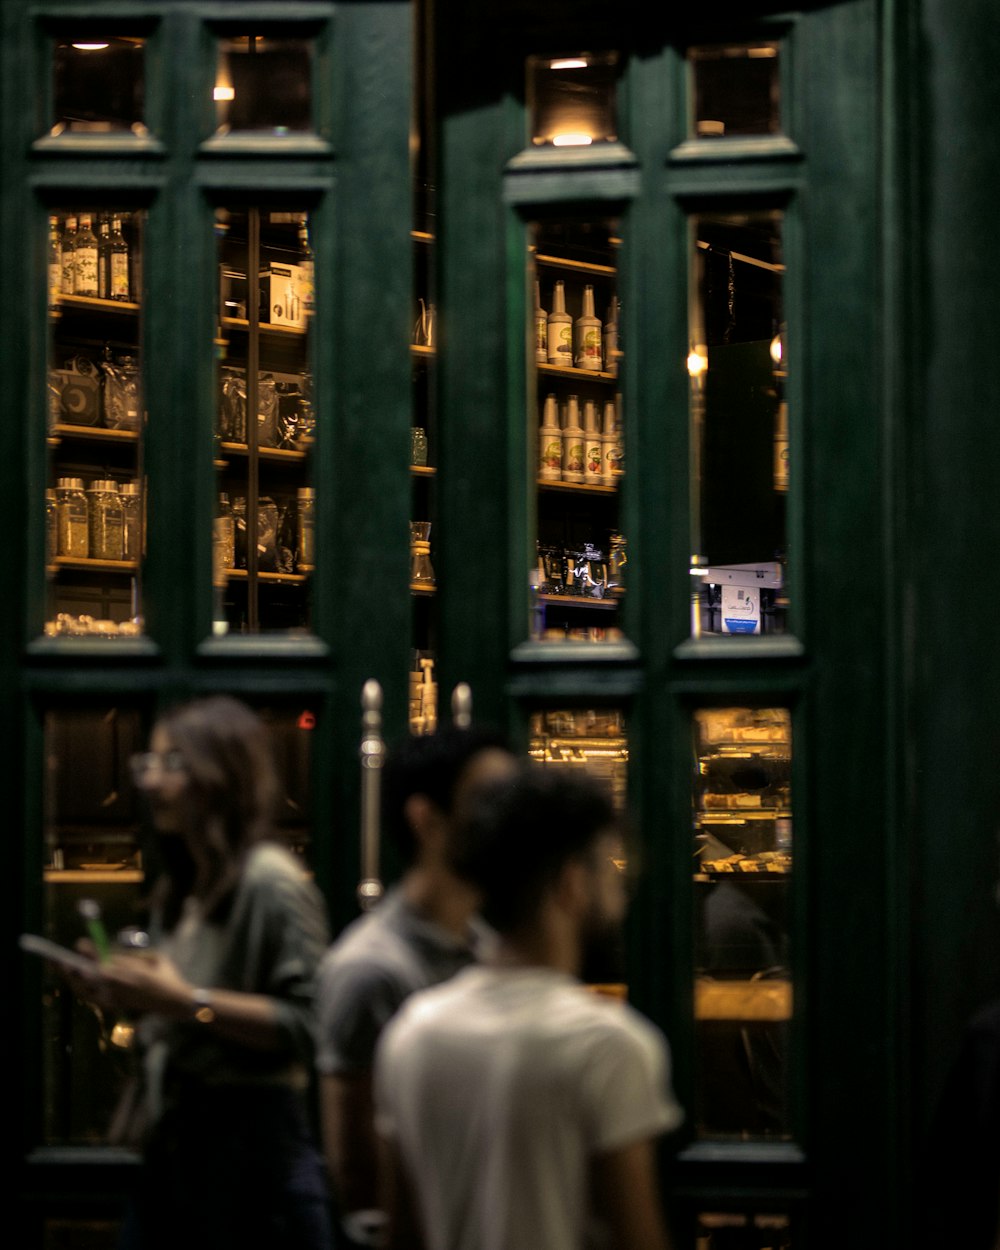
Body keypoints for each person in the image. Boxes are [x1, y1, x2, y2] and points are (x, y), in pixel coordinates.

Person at [373, 763, 684, 1250]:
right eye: (608, 863)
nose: (618, 883)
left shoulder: (412, 1032)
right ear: (572, 883)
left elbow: (401, 1231)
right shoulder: (608, 1046)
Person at [67, 695, 332, 1250]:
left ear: (222, 777)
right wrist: (122, 991)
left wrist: (183, 1000)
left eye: (173, 764)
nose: (152, 782)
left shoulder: (270, 882)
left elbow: (311, 1026)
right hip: (177, 1150)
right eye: (149, 764)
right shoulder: (186, 885)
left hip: (250, 1161)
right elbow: (176, 1003)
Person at [315, 724, 516, 1249]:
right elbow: (358, 1176)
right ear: (427, 820)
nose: (511, 825)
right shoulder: (369, 971)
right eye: (491, 804)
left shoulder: (485, 944)